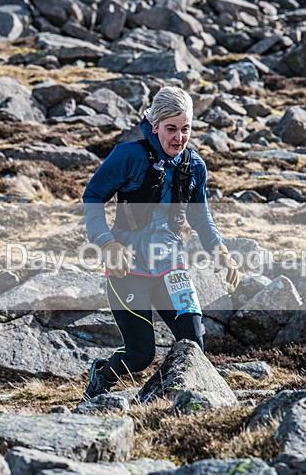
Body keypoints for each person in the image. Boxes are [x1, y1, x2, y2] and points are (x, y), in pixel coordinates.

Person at [81, 86, 239, 400]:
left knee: (192, 343)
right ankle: (102, 375)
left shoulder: (195, 166)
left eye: (186, 129)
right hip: (129, 269)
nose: (179, 138)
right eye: (171, 129)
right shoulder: (128, 156)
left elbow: (200, 216)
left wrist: (218, 249)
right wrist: (107, 243)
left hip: (172, 266)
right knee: (140, 355)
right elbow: (93, 196)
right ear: (155, 126)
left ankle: (181, 402)